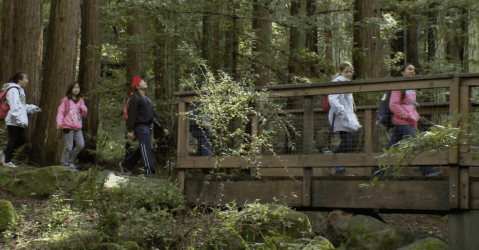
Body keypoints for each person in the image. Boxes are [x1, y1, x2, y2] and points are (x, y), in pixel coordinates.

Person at [372, 64, 437, 176]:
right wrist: (407, 116)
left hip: (409, 122)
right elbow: (393, 105)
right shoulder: (398, 85)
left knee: (391, 148)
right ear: (402, 72)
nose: (412, 71)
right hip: (401, 121)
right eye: (409, 69)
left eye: (414, 70)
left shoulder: (411, 87)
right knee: (416, 143)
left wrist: (415, 116)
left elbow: (410, 105)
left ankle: (376, 173)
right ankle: (429, 172)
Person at [119, 76, 169, 175]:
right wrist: (130, 130)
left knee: (143, 147)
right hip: (140, 126)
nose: (144, 82)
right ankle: (150, 170)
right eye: (142, 82)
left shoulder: (147, 100)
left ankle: (125, 165)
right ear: (137, 87)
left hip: (148, 126)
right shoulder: (135, 98)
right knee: (146, 147)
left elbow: (152, 116)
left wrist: (162, 128)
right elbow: (132, 114)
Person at [325, 62, 362, 175]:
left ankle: (338, 165)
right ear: (340, 72)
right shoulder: (337, 82)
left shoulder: (347, 84)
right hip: (340, 117)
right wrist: (342, 112)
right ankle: (335, 161)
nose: (349, 74)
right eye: (346, 72)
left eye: (351, 71)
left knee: (348, 143)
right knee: (347, 142)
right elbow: (333, 99)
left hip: (347, 117)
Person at [0, 73, 41, 168]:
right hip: (13, 120)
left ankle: (5, 154)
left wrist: (33, 108)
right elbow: (14, 106)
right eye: (25, 78)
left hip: (18, 121)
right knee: (13, 139)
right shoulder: (13, 90)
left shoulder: (20, 90)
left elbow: (22, 106)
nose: (27, 80)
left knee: (21, 140)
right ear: (19, 80)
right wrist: (19, 120)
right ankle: (7, 160)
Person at [56, 81, 87, 171]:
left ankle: (70, 161)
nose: (76, 89)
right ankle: (64, 163)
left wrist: (84, 109)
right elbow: (61, 112)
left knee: (81, 145)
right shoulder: (66, 100)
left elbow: (83, 115)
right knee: (69, 146)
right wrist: (59, 123)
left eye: (78, 88)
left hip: (77, 126)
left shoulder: (80, 100)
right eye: (74, 88)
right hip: (68, 126)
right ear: (70, 89)